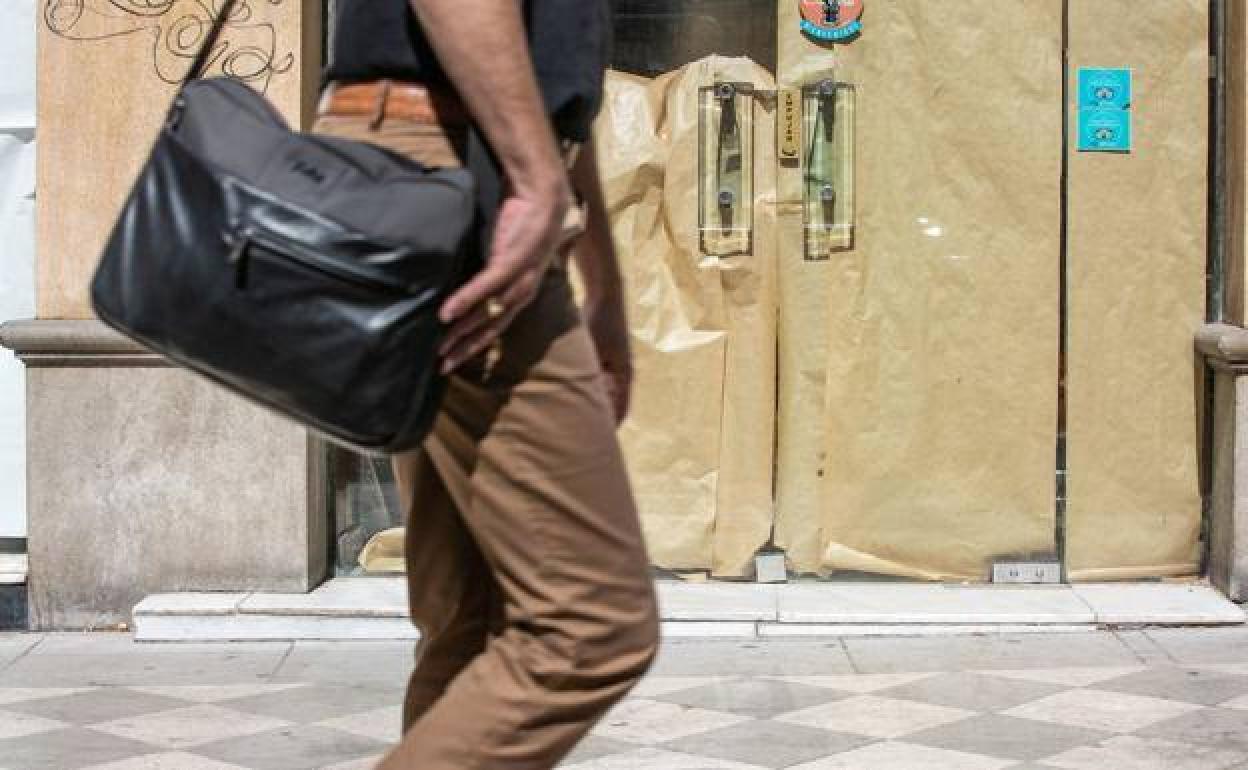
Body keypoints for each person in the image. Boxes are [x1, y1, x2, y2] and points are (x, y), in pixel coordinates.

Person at [314, 1, 661, 768]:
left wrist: (602, 281)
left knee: (472, 619)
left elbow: (552, 89)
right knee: (590, 626)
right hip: (456, 170)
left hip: (441, 162)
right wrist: (536, 182)